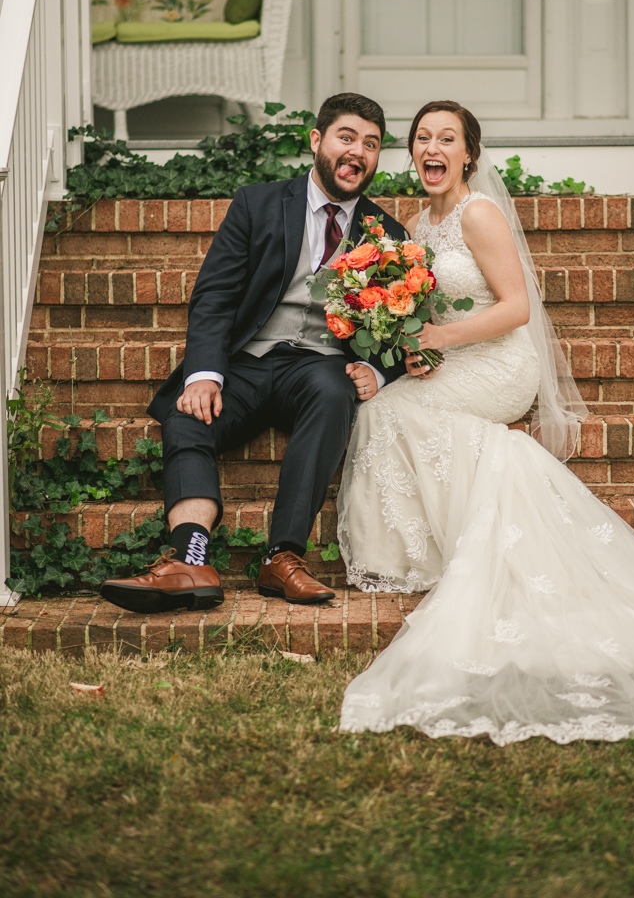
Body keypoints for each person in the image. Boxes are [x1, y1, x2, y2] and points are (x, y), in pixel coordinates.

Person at [337, 100, 634, 745]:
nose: (432, 148)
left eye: (447, 138)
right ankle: (440, 552)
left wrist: (438, 336)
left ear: (469, 152)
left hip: (500, 366)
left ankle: (468, 550)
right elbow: (422, 310)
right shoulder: (417, 223)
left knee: (405, 410)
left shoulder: (479, 213)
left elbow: (517, 309)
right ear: (411, 152)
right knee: (387, 404)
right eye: (422, 138)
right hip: (451, 357)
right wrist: (411, 343)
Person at [100, 93, 408, 614]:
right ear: (317, 141)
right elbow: (215, 295)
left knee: (335, 393)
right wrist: (203, 373)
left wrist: (379, 370)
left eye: (372, 144)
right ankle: (190, 556)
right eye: (347, 137)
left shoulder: (388, 234)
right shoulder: (259, 203)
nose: (358, 152)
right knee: (187, 415)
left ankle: (282, 557)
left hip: (316, 367)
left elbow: (403, 326)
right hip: (246, 362)